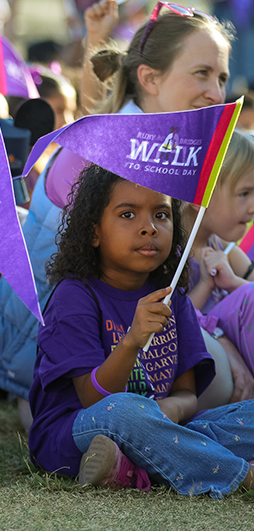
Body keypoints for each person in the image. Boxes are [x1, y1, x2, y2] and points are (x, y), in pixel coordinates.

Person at [0, 0, 233, 430]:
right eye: (201, 74)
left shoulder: (159, 140)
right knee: (216, 373)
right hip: (63, 343)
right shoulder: (117, 145)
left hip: (125, 326)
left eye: (221, 77)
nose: (217, 94)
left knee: (214, 371)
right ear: (150, 78)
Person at [30, 164, 254, 497]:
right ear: (94, 232)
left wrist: (171, 410)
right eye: (127, 215)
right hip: (79, 431)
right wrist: (132, 341)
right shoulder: (74, 296)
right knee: (126, 411)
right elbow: (94, 399)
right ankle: (241, 476)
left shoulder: (172, 295)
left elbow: (187, 394)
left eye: (161, 215)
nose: (149, 228)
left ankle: (133, 468)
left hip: (162, 429)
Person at [184, 132, 254, 405]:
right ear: (200, 192)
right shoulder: (170, 254)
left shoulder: (229, 254)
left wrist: (234, 282)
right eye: (244, 194)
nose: (252, 207)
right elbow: (167, 320)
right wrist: (205, 286)